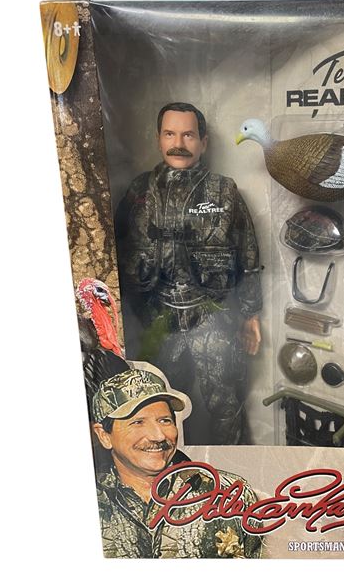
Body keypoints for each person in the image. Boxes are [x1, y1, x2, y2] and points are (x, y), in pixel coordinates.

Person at [115, 102, 262, 445]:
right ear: (158, 138)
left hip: (213, 316)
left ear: (203, 142)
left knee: (226, 403)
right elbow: (116, 249)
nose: (178, 143)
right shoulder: (138, 192)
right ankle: (168, 470)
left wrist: (251, 313)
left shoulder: (224, 191)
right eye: (170, 134)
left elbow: (248, 254)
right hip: (157, 319)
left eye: (188, 135)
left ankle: (232, 471)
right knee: (158, 406)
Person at [91, 368, 262, 558]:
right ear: (104, 435)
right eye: (138, 422)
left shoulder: (229, 495)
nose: (158, 436)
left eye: (165, 420)